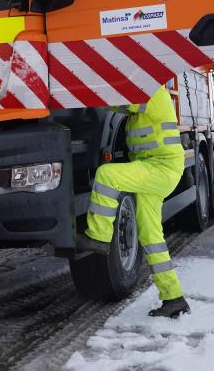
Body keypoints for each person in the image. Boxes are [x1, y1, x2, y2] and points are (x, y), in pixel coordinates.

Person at [76, 85, 190, 318]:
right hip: (155, 167)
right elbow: (118, 105)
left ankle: (99, 237)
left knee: (107, 175)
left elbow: (122, 102)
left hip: (160, 167)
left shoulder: (154, 92)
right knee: (151, 236)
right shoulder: (145, 97)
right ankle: (174, 297)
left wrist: (91, 89)